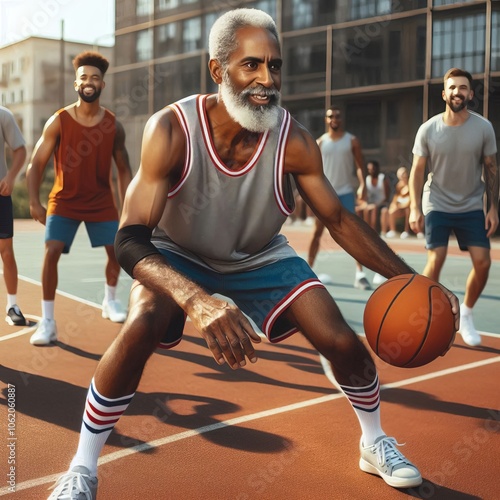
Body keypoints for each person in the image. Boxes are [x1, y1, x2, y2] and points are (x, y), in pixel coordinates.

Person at [47, 9, 460, 499]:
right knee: (140, 325)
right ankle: (83, 467)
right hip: (177, 253)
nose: (268, 80)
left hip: (260, 256)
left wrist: (415, 281)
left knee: (342, 341)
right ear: (218, 70)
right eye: (252, 66)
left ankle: (375, 442)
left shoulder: (293, 140)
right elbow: (130, 238)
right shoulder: (172, 129)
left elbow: (340, 220)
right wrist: (197, 300)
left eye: (275, 66)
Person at [26, 51, 133, 346]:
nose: (89, 82)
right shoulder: (58, 121)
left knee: (117, 253)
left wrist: (128, 209)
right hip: (65, 200)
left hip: (101, 200)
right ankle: (48, 322)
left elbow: (125, 171)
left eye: (95, 78)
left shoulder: (113, 125)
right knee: (52, 251)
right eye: (84, 77)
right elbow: (36, 164)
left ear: (102, 86)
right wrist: (34, 201)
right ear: (76, 84)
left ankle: (109, 300)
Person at [409, 67, 498, 347]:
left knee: (483, 263)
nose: (457, 92)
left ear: (471, 94)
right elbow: (416, 171)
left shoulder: (483, 127)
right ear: (443, 93)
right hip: (436, 202)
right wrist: (414, 207)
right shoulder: (428, 129)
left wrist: (492, 208)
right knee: (436, 260)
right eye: (452, 87)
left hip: (471, 204)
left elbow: (491, 169)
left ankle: (467, 312)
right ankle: (425, 317)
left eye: (463, 88)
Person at [307, 105, 372, 290]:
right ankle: (308, 272)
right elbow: (313, 171)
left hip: (345, 192)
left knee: (353, 234)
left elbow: (360, 166)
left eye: (337, 116)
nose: (334, 119)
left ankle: (360, 274)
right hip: (324, 193)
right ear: (326, 120)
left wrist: (363, 186)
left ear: (341, 119)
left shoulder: (352, 141)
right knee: (316, 233)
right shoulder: (319, 142)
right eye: (330, 116)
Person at [0, 105, 27, 326]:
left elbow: (20, 150)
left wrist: (10, 177)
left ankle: (12, 305)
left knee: (6, 251)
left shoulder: (3, 115)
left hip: (0, 194)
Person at [382, 166, 422, 240]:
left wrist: (404, 205)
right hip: (400, 206)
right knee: (391, 210)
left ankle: (407, 231)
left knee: (407, 210)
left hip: (408, 207)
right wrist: (394, 205)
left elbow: (412, 198)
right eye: (400, 174)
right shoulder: (398, 185)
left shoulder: (410, 183)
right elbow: (396, 197)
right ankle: (392, 230)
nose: (402, 175)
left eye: (403, 173)